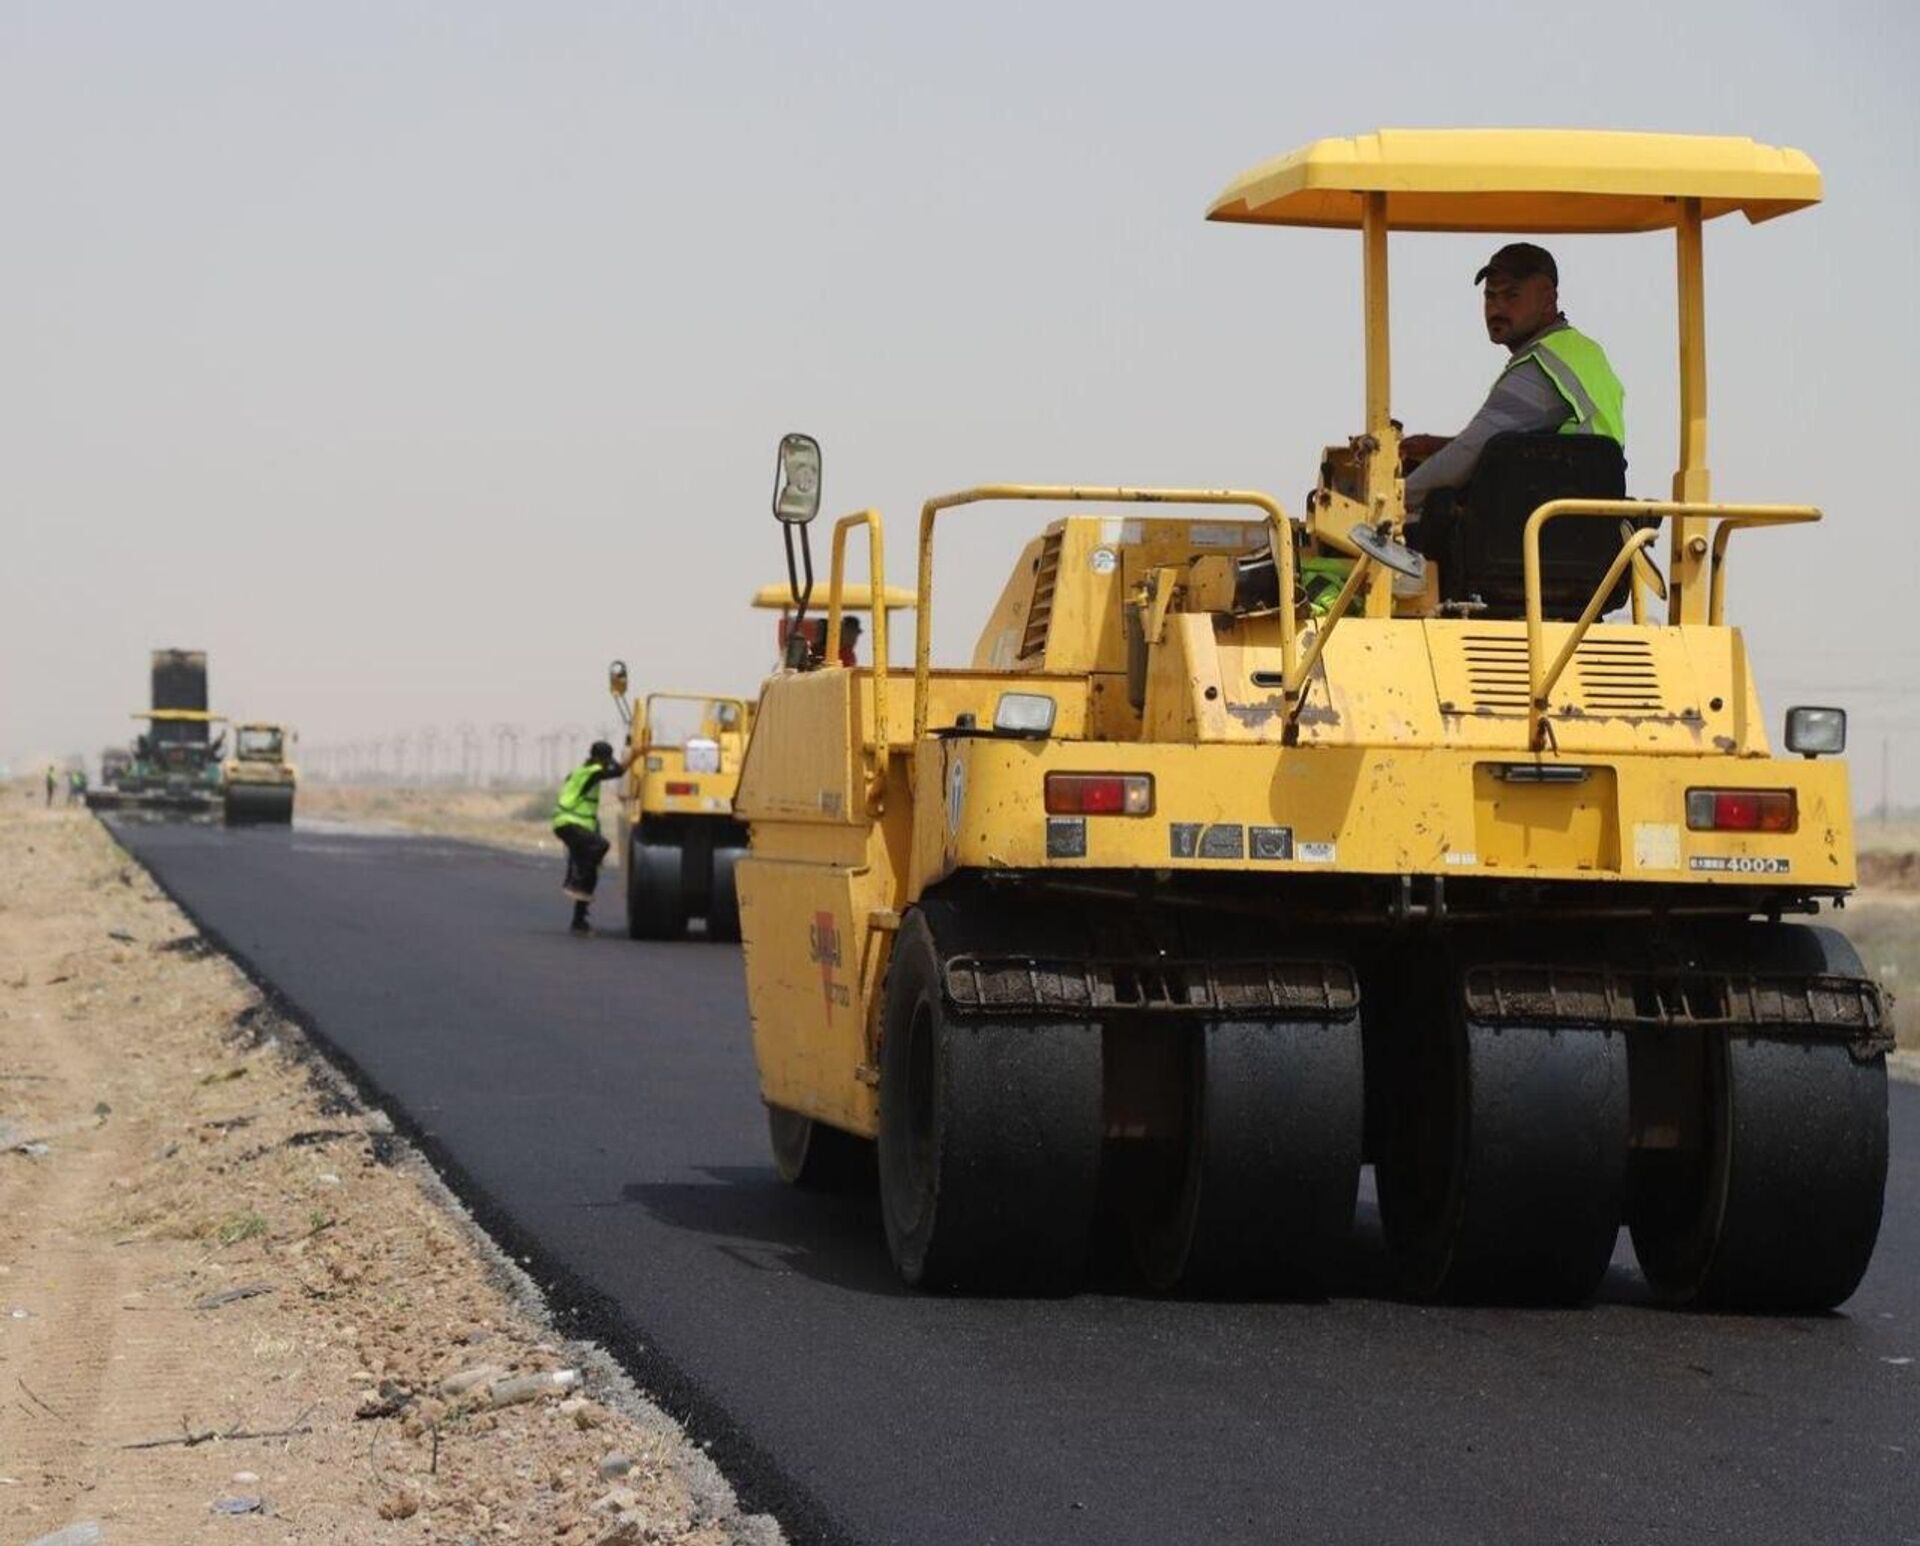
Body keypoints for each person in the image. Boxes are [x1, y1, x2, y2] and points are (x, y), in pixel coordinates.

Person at [1402, 242, 1626, 518]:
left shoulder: (1540, 367)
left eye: (1511, 296)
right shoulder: (1582, 352)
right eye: (1490, 297)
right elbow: (1510, 444)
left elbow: (1467, 454)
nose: (1497, 308)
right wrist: (1436, 446)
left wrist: (1392, 502)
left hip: (1542, 522)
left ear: (1547, 299)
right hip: (1580, 515)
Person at [551, 740, 630, 935]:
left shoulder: (583, 771)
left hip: (578, 825)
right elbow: (618, 771)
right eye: (605, 760)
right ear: (597, 758)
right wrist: (636, 755)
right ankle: (575, 881)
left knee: (591, 871)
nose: (606, 764)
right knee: (601, 846)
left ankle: (578, 921)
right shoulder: (591, 771)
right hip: (569, 823)